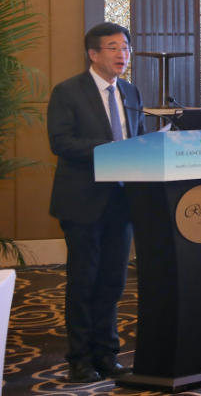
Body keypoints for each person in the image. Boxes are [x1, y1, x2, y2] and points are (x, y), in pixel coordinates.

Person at [47, 22, 145, 383]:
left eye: (126, 47)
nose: (123, 54)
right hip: (82, 202)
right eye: (113, 47)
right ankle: (80, 359)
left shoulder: (131, 92)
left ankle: (107, 354)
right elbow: (60, 142)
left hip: (122, 201)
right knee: (84, 282)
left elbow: (139, 139)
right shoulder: (68, 91)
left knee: (112, 283)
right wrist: (112, 149)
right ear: (93, 53)